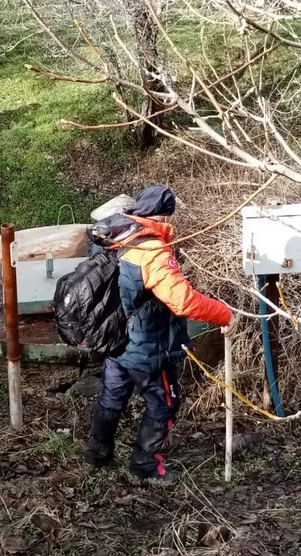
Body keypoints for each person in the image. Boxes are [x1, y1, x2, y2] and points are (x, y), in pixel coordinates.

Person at [85, 184, 236, 486]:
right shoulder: (152, 250)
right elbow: (183, 300)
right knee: (164, 403)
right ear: (165, 217)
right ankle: (145, 465)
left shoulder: (112, 237)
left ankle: (97, 453)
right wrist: (225, 314)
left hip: (114, 340)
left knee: (112, 395)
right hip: (148, 348)